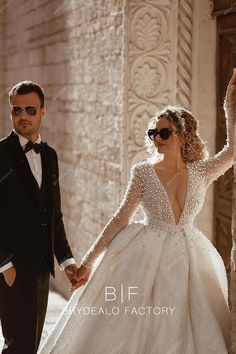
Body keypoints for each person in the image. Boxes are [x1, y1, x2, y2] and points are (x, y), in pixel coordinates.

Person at [39, 70, 236, 354]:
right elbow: (121, 218)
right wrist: (89, 262)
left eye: (164, 132)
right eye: (153, 132)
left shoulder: (201, 171)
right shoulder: (143, 173)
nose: (157, 138)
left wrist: (228, 107)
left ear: (182, 135)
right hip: (143, 256)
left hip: (191, 257)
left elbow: (231, 152)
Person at [0, 81, 82, 354]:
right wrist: (4, 266)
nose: (23, 115)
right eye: (16, 110)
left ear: (43, 112)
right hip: (11, 270)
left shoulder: (50, 155)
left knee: (30, 345)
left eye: (30, 109)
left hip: (41, 269)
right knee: (17, 346)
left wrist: (66, 260)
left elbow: (53, 213)